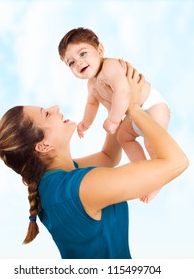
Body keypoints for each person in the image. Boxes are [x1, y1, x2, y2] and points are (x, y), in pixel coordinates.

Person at [0, 61, 188, 259]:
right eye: (46, 114)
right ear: (43, 146)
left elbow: (109, 156)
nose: (55, 108)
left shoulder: (57, 179)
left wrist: (115, 104)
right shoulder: (76, 189)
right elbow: (177, 162)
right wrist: (134, 108)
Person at [58, 27, 170, 203]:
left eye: (83, 54)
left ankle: (157, 181)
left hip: (153, 105)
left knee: (151, 143)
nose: (78, 63)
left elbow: (123, 91)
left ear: (100, 50)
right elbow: (92, 103)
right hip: (136, 114)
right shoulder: (91, 84)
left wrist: (113, 120)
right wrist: (86, 122)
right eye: (70, 62)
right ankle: (144, 172)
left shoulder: (110, 66)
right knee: (123, 137)